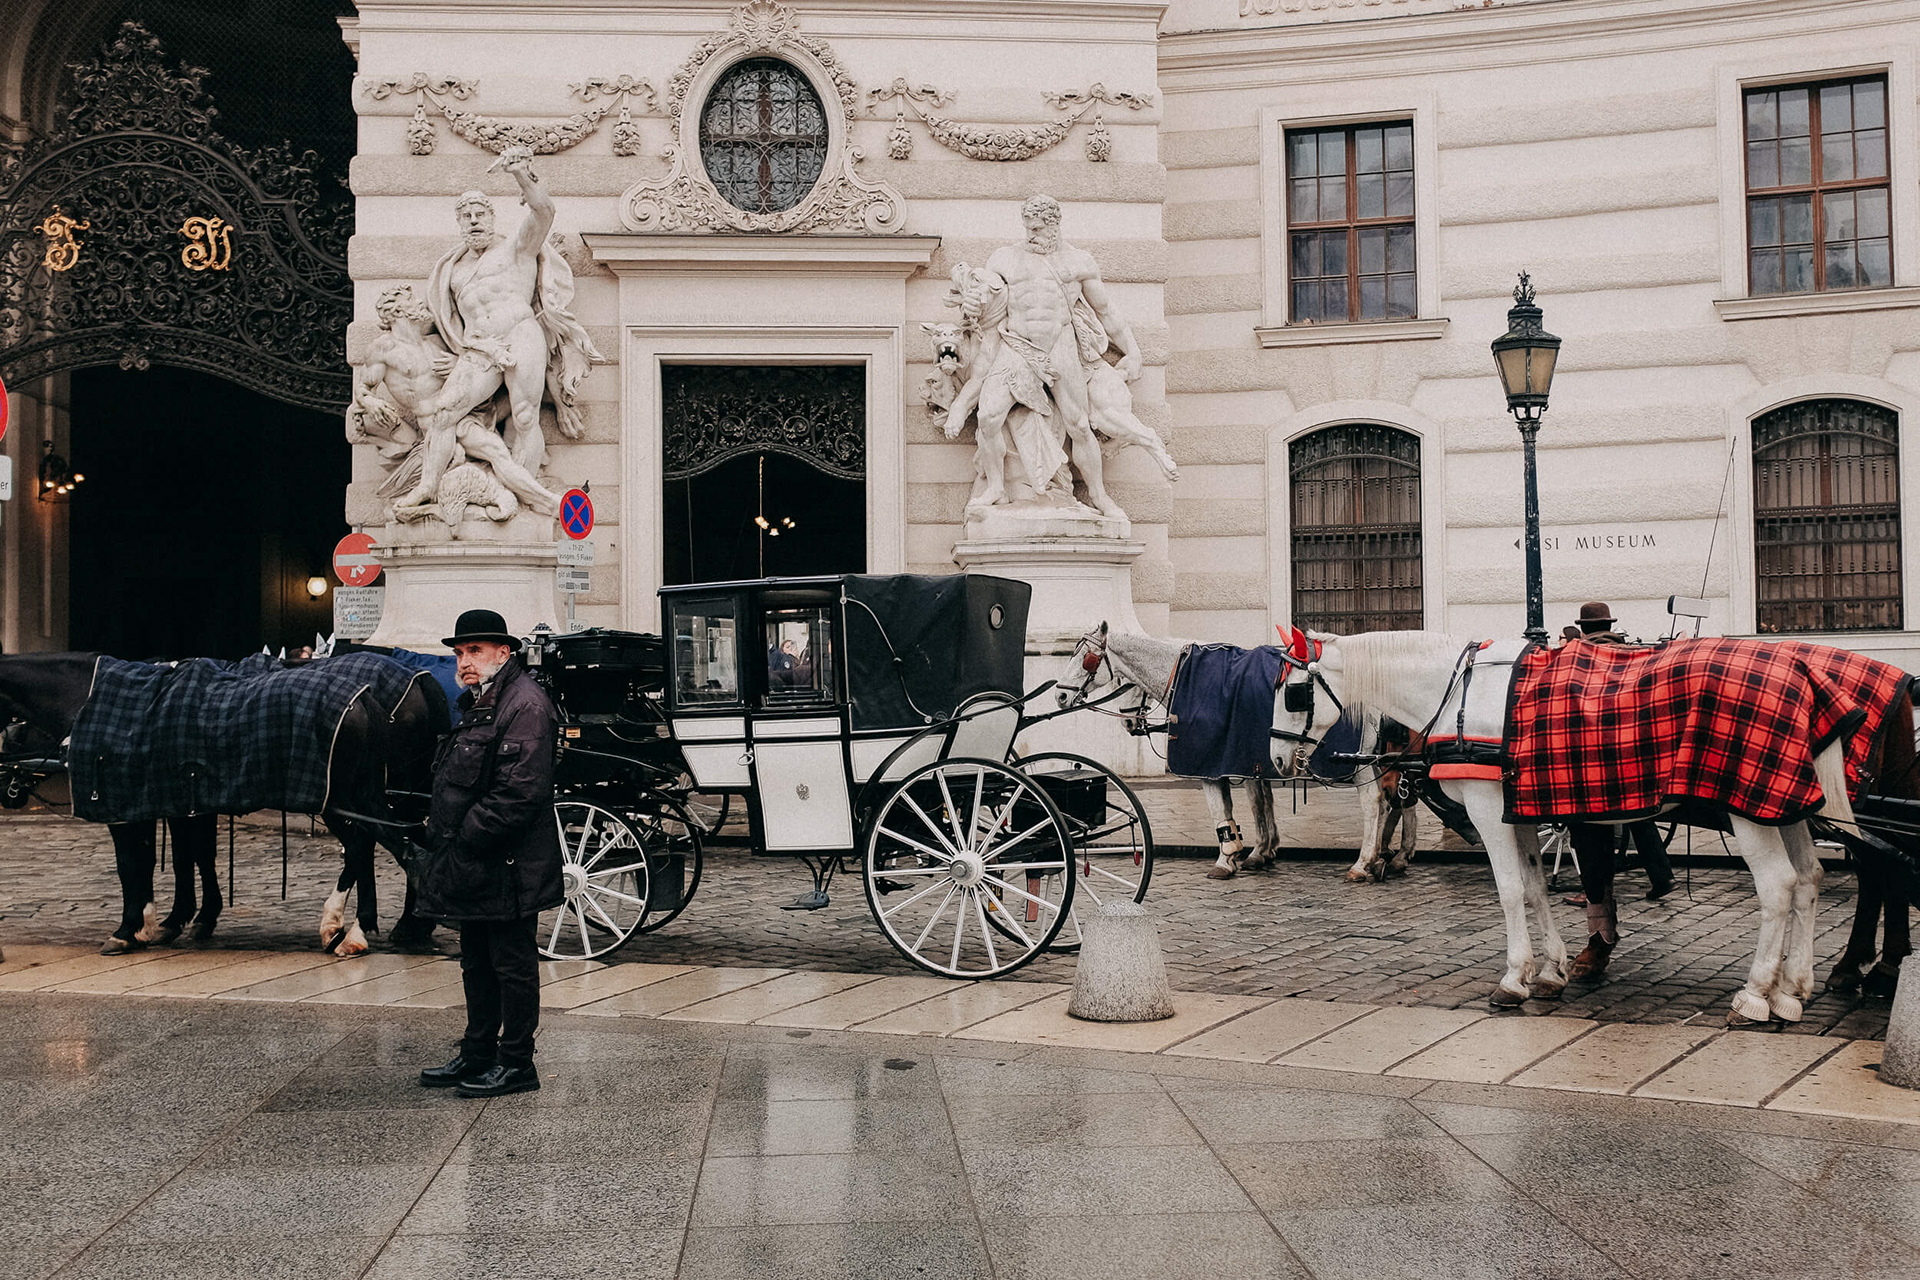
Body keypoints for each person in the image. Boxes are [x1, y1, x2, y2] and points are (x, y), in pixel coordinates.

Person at [414, 608, 562, 1097]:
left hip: (506, 863)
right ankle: (477, 1052)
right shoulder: (482, 700)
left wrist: (463, 837)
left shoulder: (525, 704)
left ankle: (517, 1063)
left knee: (511, 965)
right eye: (460, 653)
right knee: (475, 960)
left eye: (475, 651)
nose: (465, 661)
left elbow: (519, 793)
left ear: (504, 652)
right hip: (475, 862)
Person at [1564, 602, 1676, 981]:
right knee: (1643, 820)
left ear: (1583, 628)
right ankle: (1660, 874)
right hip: (1637, 766)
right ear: (1609, 625)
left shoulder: (1576, 659)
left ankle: (1600, 935)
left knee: (1591, 853)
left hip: (1590, 771)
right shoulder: (1632, 653)